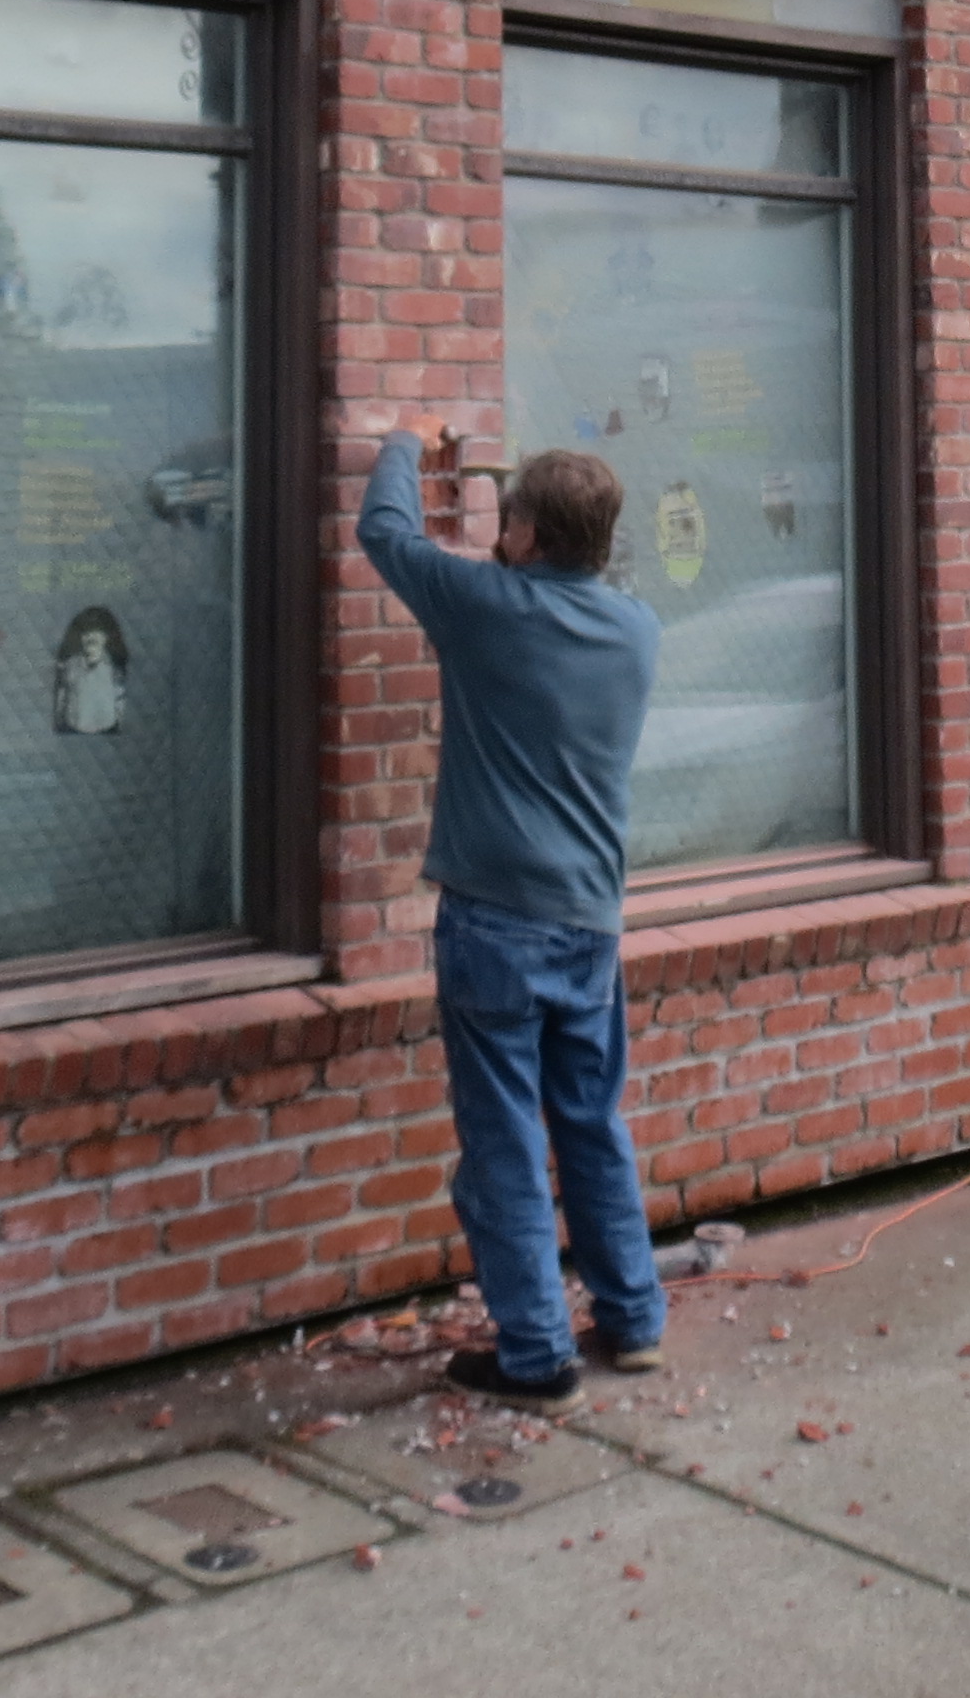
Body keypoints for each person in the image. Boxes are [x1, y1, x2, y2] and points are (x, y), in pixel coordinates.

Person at [358, 424, 670, 1401]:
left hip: (495, 926)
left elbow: (384, 532)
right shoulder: (636, 629)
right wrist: (500, 491)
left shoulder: (484, 608)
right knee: (590, 1123)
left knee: (501, 1142)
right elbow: (523, 563)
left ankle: (535, 1357)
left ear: (530, 534)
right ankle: (634, 1321)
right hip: (588, 923)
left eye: (513, 519)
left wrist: (401, 443)